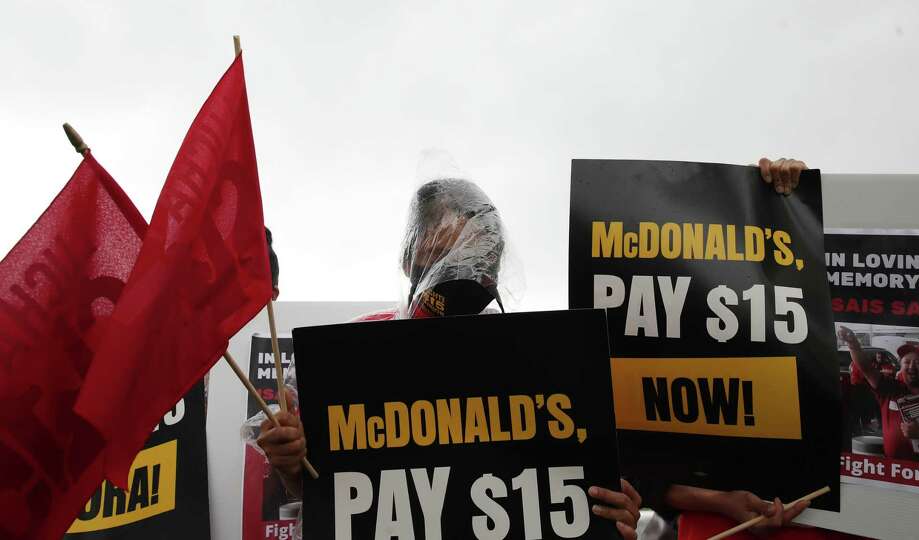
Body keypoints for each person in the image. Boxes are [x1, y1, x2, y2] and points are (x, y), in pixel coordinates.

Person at [256, 157, 812, 538]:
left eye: (485, 256)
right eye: (455, 250)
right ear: (411, 255)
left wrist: (617, 513)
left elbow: (595, 495)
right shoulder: (351, 356)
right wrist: (290, 460)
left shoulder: (545, 365)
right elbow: (322, 494)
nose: (472, 271)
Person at [838, 326, 919, 463]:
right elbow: (866, 368)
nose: (911, 367)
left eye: (918, 362)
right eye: (906, 362)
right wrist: (853, 344)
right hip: (894, 471)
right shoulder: (890, 389)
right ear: (901, 367)